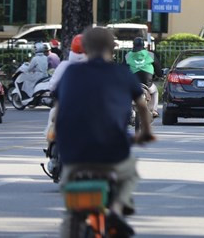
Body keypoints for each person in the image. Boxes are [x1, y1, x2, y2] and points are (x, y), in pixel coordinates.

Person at [55, 27, 155, 221]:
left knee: (67, 181)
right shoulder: (121, 73)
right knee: (130, 174)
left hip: (73, 151)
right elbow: (142, 107)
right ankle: (117, 210)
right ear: (113, 48)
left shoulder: (70, 73)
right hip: (112, 150)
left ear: (84, 49)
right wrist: (146, 133)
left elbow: (59, 109)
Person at [45, 34, 89, 140]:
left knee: (53, 115)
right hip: (88, 107)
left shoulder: (64, 65)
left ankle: (51, 141)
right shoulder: (94, 67)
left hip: (66, 104)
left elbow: (52, 85)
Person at [125, 37, 161, 117]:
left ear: (133, 45)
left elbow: (123, 69)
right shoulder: (151, 55)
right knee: (155, 91)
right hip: (147, 83)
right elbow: (158, 69)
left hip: (133, 83)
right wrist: (160, 75)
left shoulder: (128, 56)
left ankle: (129, 111)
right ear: (143, 45)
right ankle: (154, 110)